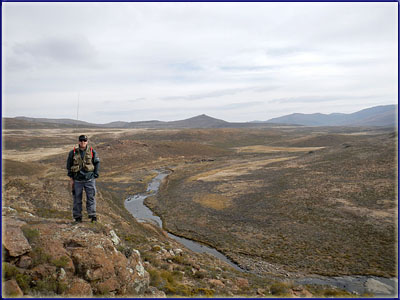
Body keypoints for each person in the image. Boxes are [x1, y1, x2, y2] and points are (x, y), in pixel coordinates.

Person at [66, 135, 100, 223]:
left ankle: (92, 215)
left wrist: (95, 174)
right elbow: (68, 166)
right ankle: (77, 217)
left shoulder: (92, 152)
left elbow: (96, 163)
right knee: (77, 199)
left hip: (89, 180)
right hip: (77, 180)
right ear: (78, 142)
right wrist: (71, 178)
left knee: (91, 198)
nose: (83, 142)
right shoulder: (73, 153)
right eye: (81, 140)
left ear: (87, 142)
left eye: (84, 140)